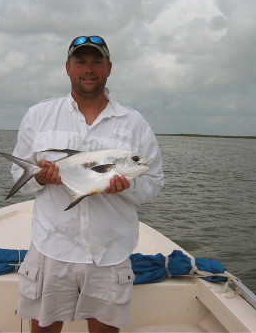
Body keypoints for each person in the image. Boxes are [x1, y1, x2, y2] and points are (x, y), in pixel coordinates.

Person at [11, 35, 164, 333]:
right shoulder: (39, 115)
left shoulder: (134, 123)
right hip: (51, 247)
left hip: (110, 252)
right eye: (81, 62)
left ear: (109, 68)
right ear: (68, 67)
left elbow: (154, 183)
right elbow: (19, 177)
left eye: (97, 62)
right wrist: (40, 178)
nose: (89, 69)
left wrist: (128, 186)